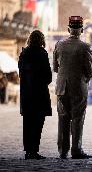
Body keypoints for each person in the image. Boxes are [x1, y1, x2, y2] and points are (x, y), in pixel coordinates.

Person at [53, 16, 92, 159]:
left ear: (68, 29)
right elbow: (90, 70)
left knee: (63, 118)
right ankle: (76, 150)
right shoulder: (85, 47)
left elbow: (56, 67)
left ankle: (63, 150)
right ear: (81, 30)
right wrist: (84, 80)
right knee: (77, 119)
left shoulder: (59, 44)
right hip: (78, 87)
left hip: (62, 87)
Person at [18, 30, 52, 160]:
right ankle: (34, 150)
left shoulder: (24, 53)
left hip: (26, 94)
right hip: (40, 94)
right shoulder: (42, 54)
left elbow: (20, 74)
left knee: (27, 123)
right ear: (41, 40)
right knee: (38, 124)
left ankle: (28, 151)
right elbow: (48, 77)